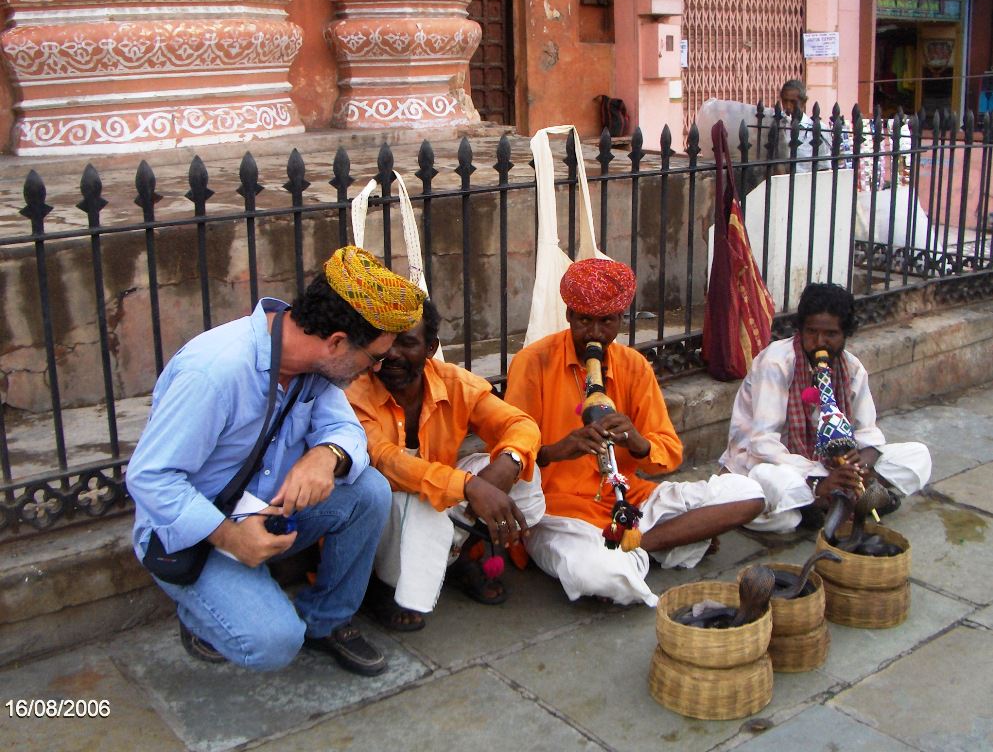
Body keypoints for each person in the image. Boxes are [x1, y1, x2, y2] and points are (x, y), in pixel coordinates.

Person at [126, 246, 426, 675]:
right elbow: (150, 478)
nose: (376, 369)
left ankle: (325, 622)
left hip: (262, 511)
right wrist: (230, 538)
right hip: (197, 532)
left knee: (368, 491)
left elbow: (348, 434)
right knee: (273, 644)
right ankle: (202, 615)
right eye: (374, 357)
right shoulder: (214, 371)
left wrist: (327, 456)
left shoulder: (318, 366)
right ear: (338, 341)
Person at [504, 258, 765, 607]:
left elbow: (669, 452)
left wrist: (638, 442)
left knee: (748, 493)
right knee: (601, 575)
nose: (595, 334)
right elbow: (509, 453)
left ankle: (637, 544)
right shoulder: (532, 363)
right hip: (558, 512)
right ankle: (663, 542)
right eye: (585, 321)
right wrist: (558, 450)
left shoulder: (634, 366)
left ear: (620, 321)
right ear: (568, 315)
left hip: (627, 500)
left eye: (606, 322)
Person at [346, 299, 543, 630]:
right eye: (384, 342)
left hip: (437, 495)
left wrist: (508, 462)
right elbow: (384, 460)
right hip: (385, 506)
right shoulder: (355, 390)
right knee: (409, 503)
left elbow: (521, 425)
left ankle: (453, 559)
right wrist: (468, 485)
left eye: (406, 342)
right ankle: (382, 584)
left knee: (525, 474)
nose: (392, 353)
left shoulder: (454, 383)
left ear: (430, 347)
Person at [720, 282, 932, 532]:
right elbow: (763, 444)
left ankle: (835, 498)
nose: (819, 342)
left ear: (845, 334)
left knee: (917, 455)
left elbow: (868, 433)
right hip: (769, 464)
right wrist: (819, 478)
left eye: (830, 334)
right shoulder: (776, 363)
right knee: (780, 499)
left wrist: (860, 465)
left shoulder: (852, 368)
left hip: (829, 464)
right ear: (801, 329)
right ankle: (825, 498)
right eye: (811, 332)